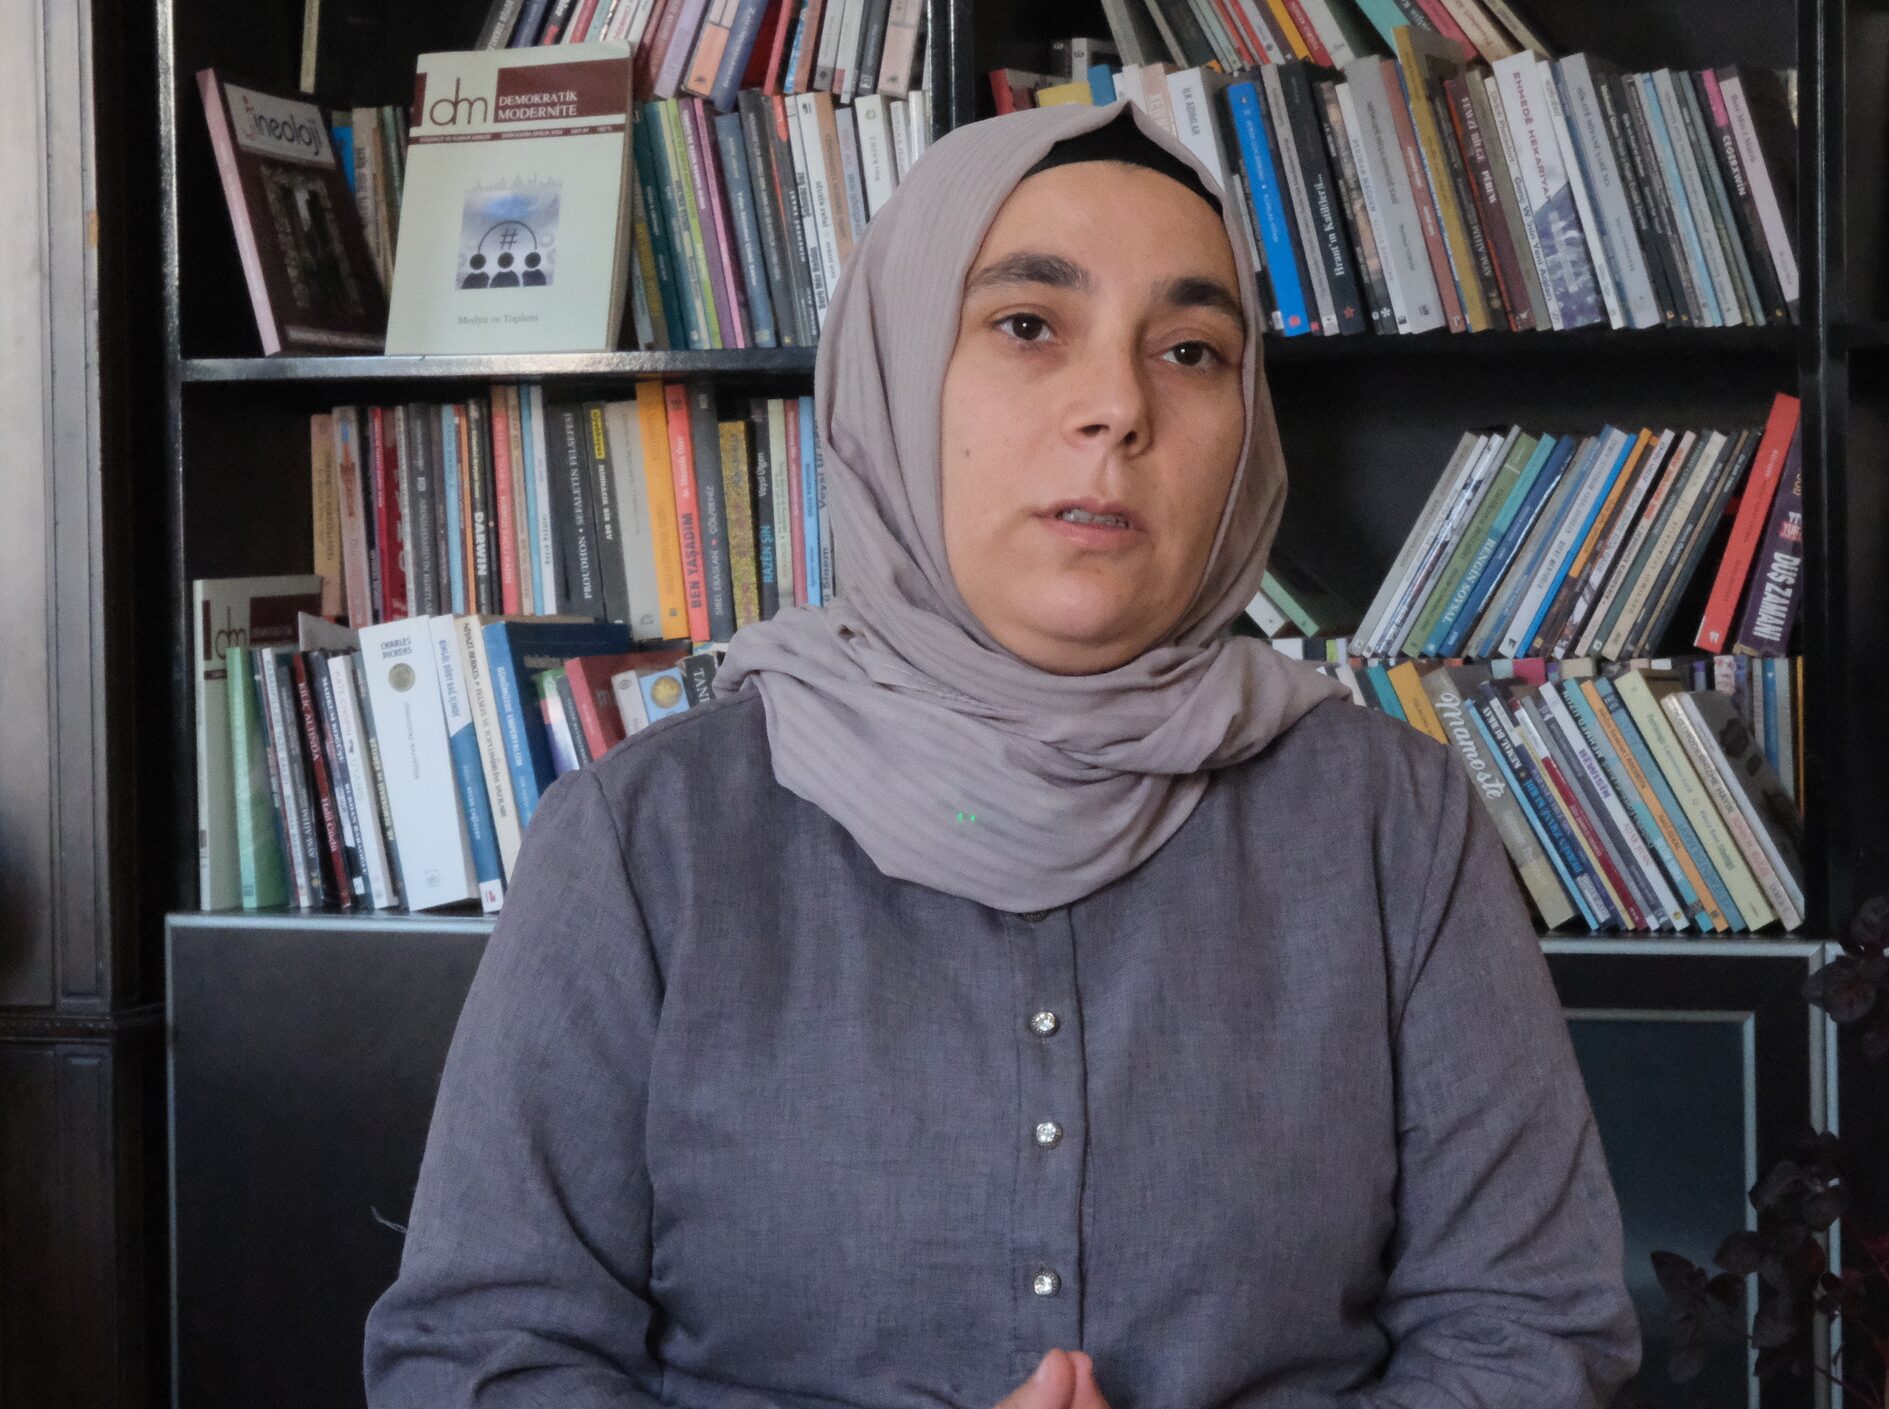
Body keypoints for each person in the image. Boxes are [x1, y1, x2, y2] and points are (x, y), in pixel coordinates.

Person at [363, 98, 1641, 1409]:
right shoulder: (651, 837)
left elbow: (1528, 1334)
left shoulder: (1390, 818)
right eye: (1029, 326)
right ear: (898, 376)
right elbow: (484, 1358)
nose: (1118, 408)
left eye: (1191, 351)